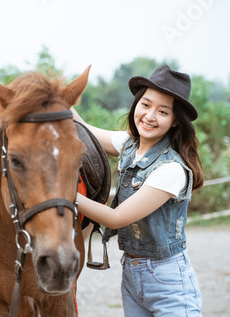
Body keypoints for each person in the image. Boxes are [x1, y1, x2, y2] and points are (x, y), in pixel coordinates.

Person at [72, 64, 204, 316]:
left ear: (175, 120)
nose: (150, 116)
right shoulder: (129, 144)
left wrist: (61, 193)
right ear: (136, 104)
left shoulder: (171, 169)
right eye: (145, 104)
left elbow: (116, 218)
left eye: (163, 111)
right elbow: (84, 129)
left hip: (168, 281)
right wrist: (56, 98)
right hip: (131, 273)